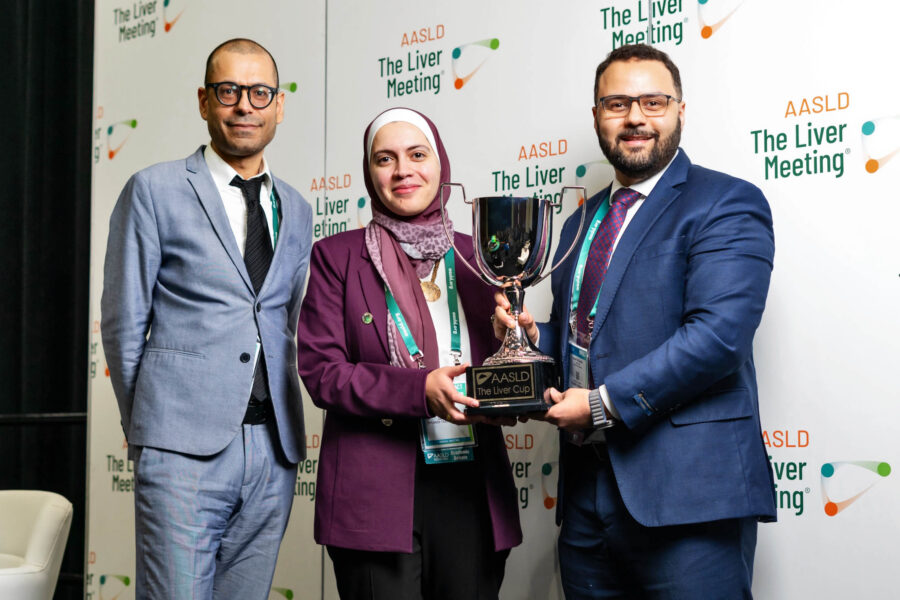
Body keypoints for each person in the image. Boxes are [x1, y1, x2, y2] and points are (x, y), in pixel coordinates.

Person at [494, 44, 776, 598]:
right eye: (617, 103)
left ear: (680, 110)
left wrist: (602, 405)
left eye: (653, 101)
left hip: (688, 500)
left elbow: (717, 338)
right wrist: (533, 336)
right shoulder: (579, 221)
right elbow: (585, 343)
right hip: (585, 502)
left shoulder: (726, 203)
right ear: (597, 114)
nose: (636, 118)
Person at [101, 38, 312, 599]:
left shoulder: (297, 207)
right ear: (204, 101)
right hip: (180, 452)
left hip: (273, 448)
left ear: (279, 105)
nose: (245, 105)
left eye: (260, 92)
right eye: (229, 91)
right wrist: (153, 434)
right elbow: (123, 328)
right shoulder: (154, 190)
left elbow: (286, 321)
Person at [297, 107, 521, 599]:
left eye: (417, 154)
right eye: (385, 159)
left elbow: (493, 367)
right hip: (373, 491)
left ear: (440, 163)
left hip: (470, 487)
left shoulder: (479, 254)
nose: (402, 171)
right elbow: (322, 373)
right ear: (369, 171)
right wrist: (418, 389)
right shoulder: (336, 257)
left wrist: (513, 345)